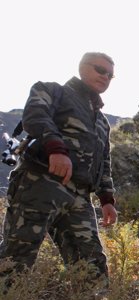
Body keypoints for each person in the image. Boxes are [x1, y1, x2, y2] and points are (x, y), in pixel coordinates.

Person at [0, 52, 117, 285]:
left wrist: (106, 199)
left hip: (79, 197)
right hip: (41, 182)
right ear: (82, 67)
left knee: (92, 269)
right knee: (15, 259)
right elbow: (35, 115)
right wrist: (56, 149)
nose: (105, 77)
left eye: (110, 75)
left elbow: (103, 161)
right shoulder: (53, 91)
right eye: (100, 70)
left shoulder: (102, 122)